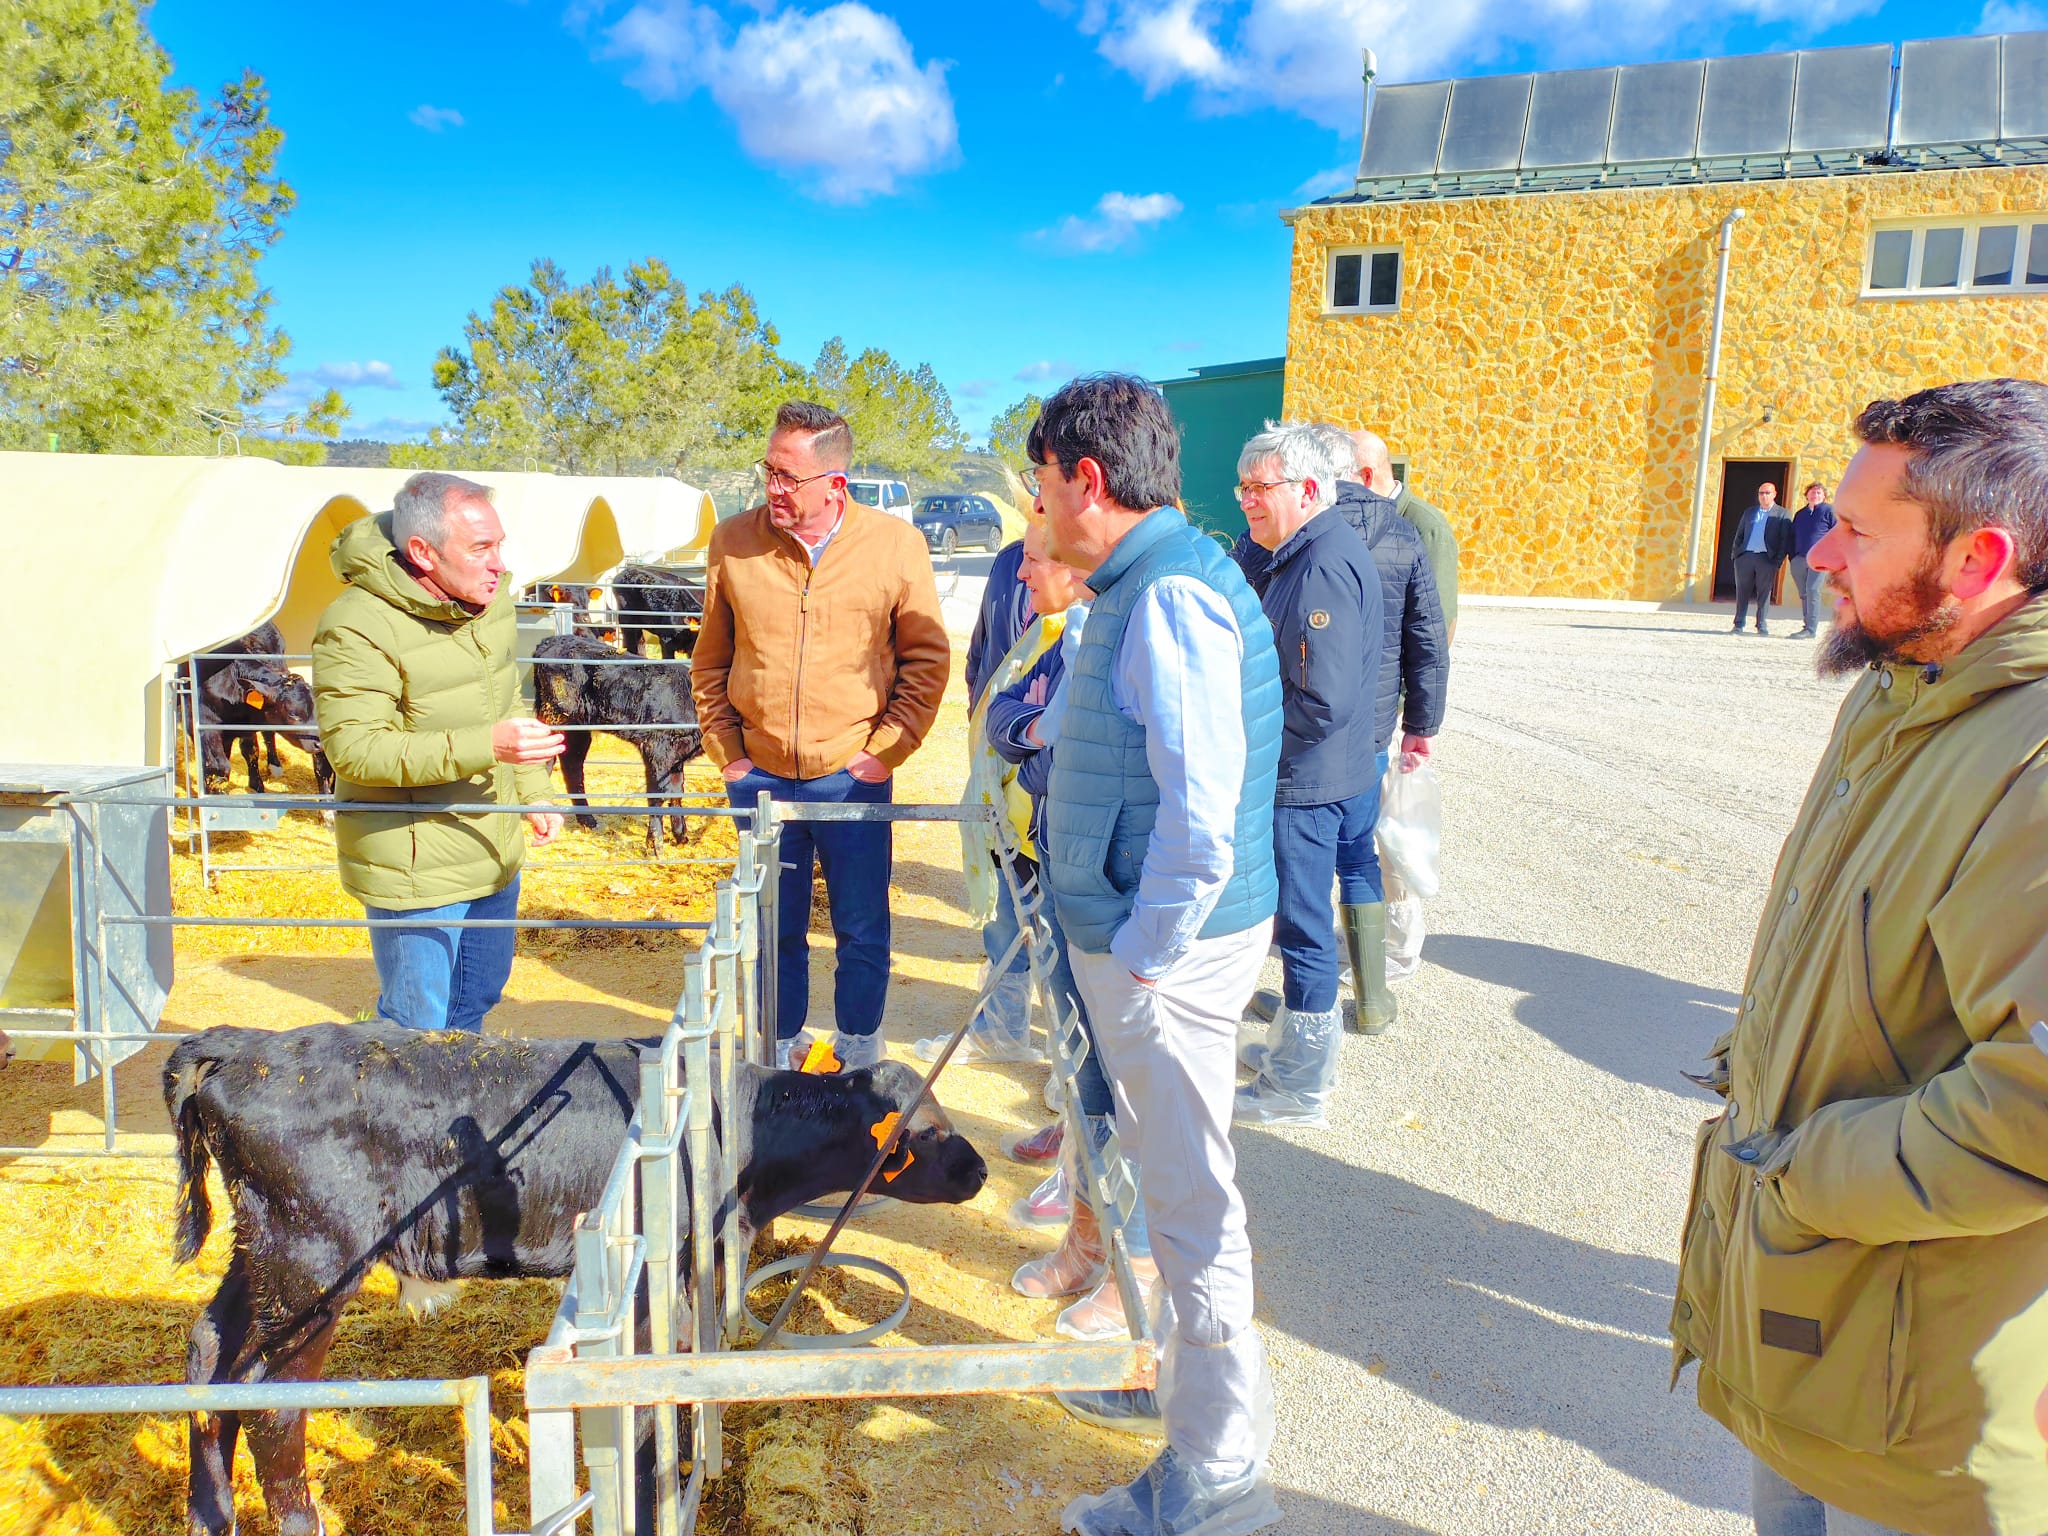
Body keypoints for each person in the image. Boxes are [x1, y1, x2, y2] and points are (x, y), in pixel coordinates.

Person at [1671, 379, 2048, 1536]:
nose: (1818, 551)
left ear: (1978, 558)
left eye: (1858, 529)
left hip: (1917, 1394)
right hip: (1814, 1320)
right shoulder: (1901, 685)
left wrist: (1804, 1171)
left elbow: (2030, 1107)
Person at [1029, 374, 1284, 1536]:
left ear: (1088, 479)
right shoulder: (1153, 581)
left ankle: (1215, 1467)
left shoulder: (1169, 596)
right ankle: (1186, 1406)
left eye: (1042, 485)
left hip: (1165, 962)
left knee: (1187, 1204)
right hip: (1157, 951)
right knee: (1182, 1193)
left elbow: (1201, 815)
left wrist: (1138, 957)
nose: (1038, 510)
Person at [693, 401, 950, 1070]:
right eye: (769, 471)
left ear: (835, 483)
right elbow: (711, 661)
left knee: (861, 923)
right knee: (774, 925)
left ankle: (858, 1049)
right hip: (761, 777)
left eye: (788, 476)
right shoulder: (733, 542)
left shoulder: (896, 547)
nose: (773, 489)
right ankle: (778, 1052)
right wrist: (730, 757)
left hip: (852, 773)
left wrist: (883, 751)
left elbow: (926, 659)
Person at [980, 518, 1158, 1340]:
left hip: (1111, 890)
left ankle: (1137, 1274)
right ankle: (1088, 1244)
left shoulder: (1120, 626)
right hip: (1057, 865)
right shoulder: (1057, 633)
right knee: (1082, 1073)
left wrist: (1039, 738)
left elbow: (1061, 757)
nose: (1022, 571)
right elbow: (1004, 722)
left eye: (1035, 557)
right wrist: (1034, 732)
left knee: (1129, 1092)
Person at [312, 472, 565, 1033]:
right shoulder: (357, 626)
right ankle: (405, 1121)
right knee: (414, 1027)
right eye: (480, 548)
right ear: (423, 553)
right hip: (416, 865)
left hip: (491, 843)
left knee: (473, 1004)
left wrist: (533, 792)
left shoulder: (490, 601)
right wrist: (490, 746)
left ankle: (453, 1116)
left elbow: (507, 699)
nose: (499, 563)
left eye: (499, 543)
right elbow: (355, 750)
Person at [1229, 424, 1383, 1127]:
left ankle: (1302, 1086)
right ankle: (1293, 1050)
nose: (1247, 503)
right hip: (1303, 775)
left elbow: (1323, 698)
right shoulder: (1287, 554)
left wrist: (1251, 748)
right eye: (1244, 489)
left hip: (1304, 781)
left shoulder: (1320, 565)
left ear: (1309, 490)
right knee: (1295, 919)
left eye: (1261, 489)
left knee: (1302, 924)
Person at [920, 525, 1040, 1064]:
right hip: (998, 771)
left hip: (1048, 780)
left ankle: (1081, 1077)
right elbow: (981, 653)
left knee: (1055, 917)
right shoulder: (1009, 560)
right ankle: (1003, 1028)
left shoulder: (1093, 573)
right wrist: (982, 716)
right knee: (1009, 903)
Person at [1353, 429, 1459, 641]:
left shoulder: (1427, 528)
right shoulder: (1356, 519)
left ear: (1366, 476)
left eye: (1341, 476)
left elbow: (1438, 624)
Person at [1729, 482, 1794, 635]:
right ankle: (1738, 624)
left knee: (1764, 594)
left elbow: (1784, 540)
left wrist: (1777, 561)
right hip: (1745, 557)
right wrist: (1736, 555)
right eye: (1761, 493)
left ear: (1774, 494)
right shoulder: (1749, 512)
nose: (1764, 496)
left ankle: (1761, 624)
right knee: (1742, 592)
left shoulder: (1782, 514)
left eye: (1767, 493)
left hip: (1767, 559)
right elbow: (1739, 535)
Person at [1786, 480, 1836, 639]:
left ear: (1824, 496)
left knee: (1813, 590)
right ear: (1807, 495)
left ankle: (1811, 629)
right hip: (1799, 559)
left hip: (1819, 560)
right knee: (1804, 593)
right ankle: (1806, 625)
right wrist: (1792, 557)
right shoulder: (1800, 514)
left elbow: (1836, 535)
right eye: (1812, 492)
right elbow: (1792, 536)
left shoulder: (1829, 511)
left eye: (1819, 492)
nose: (1815, 495)